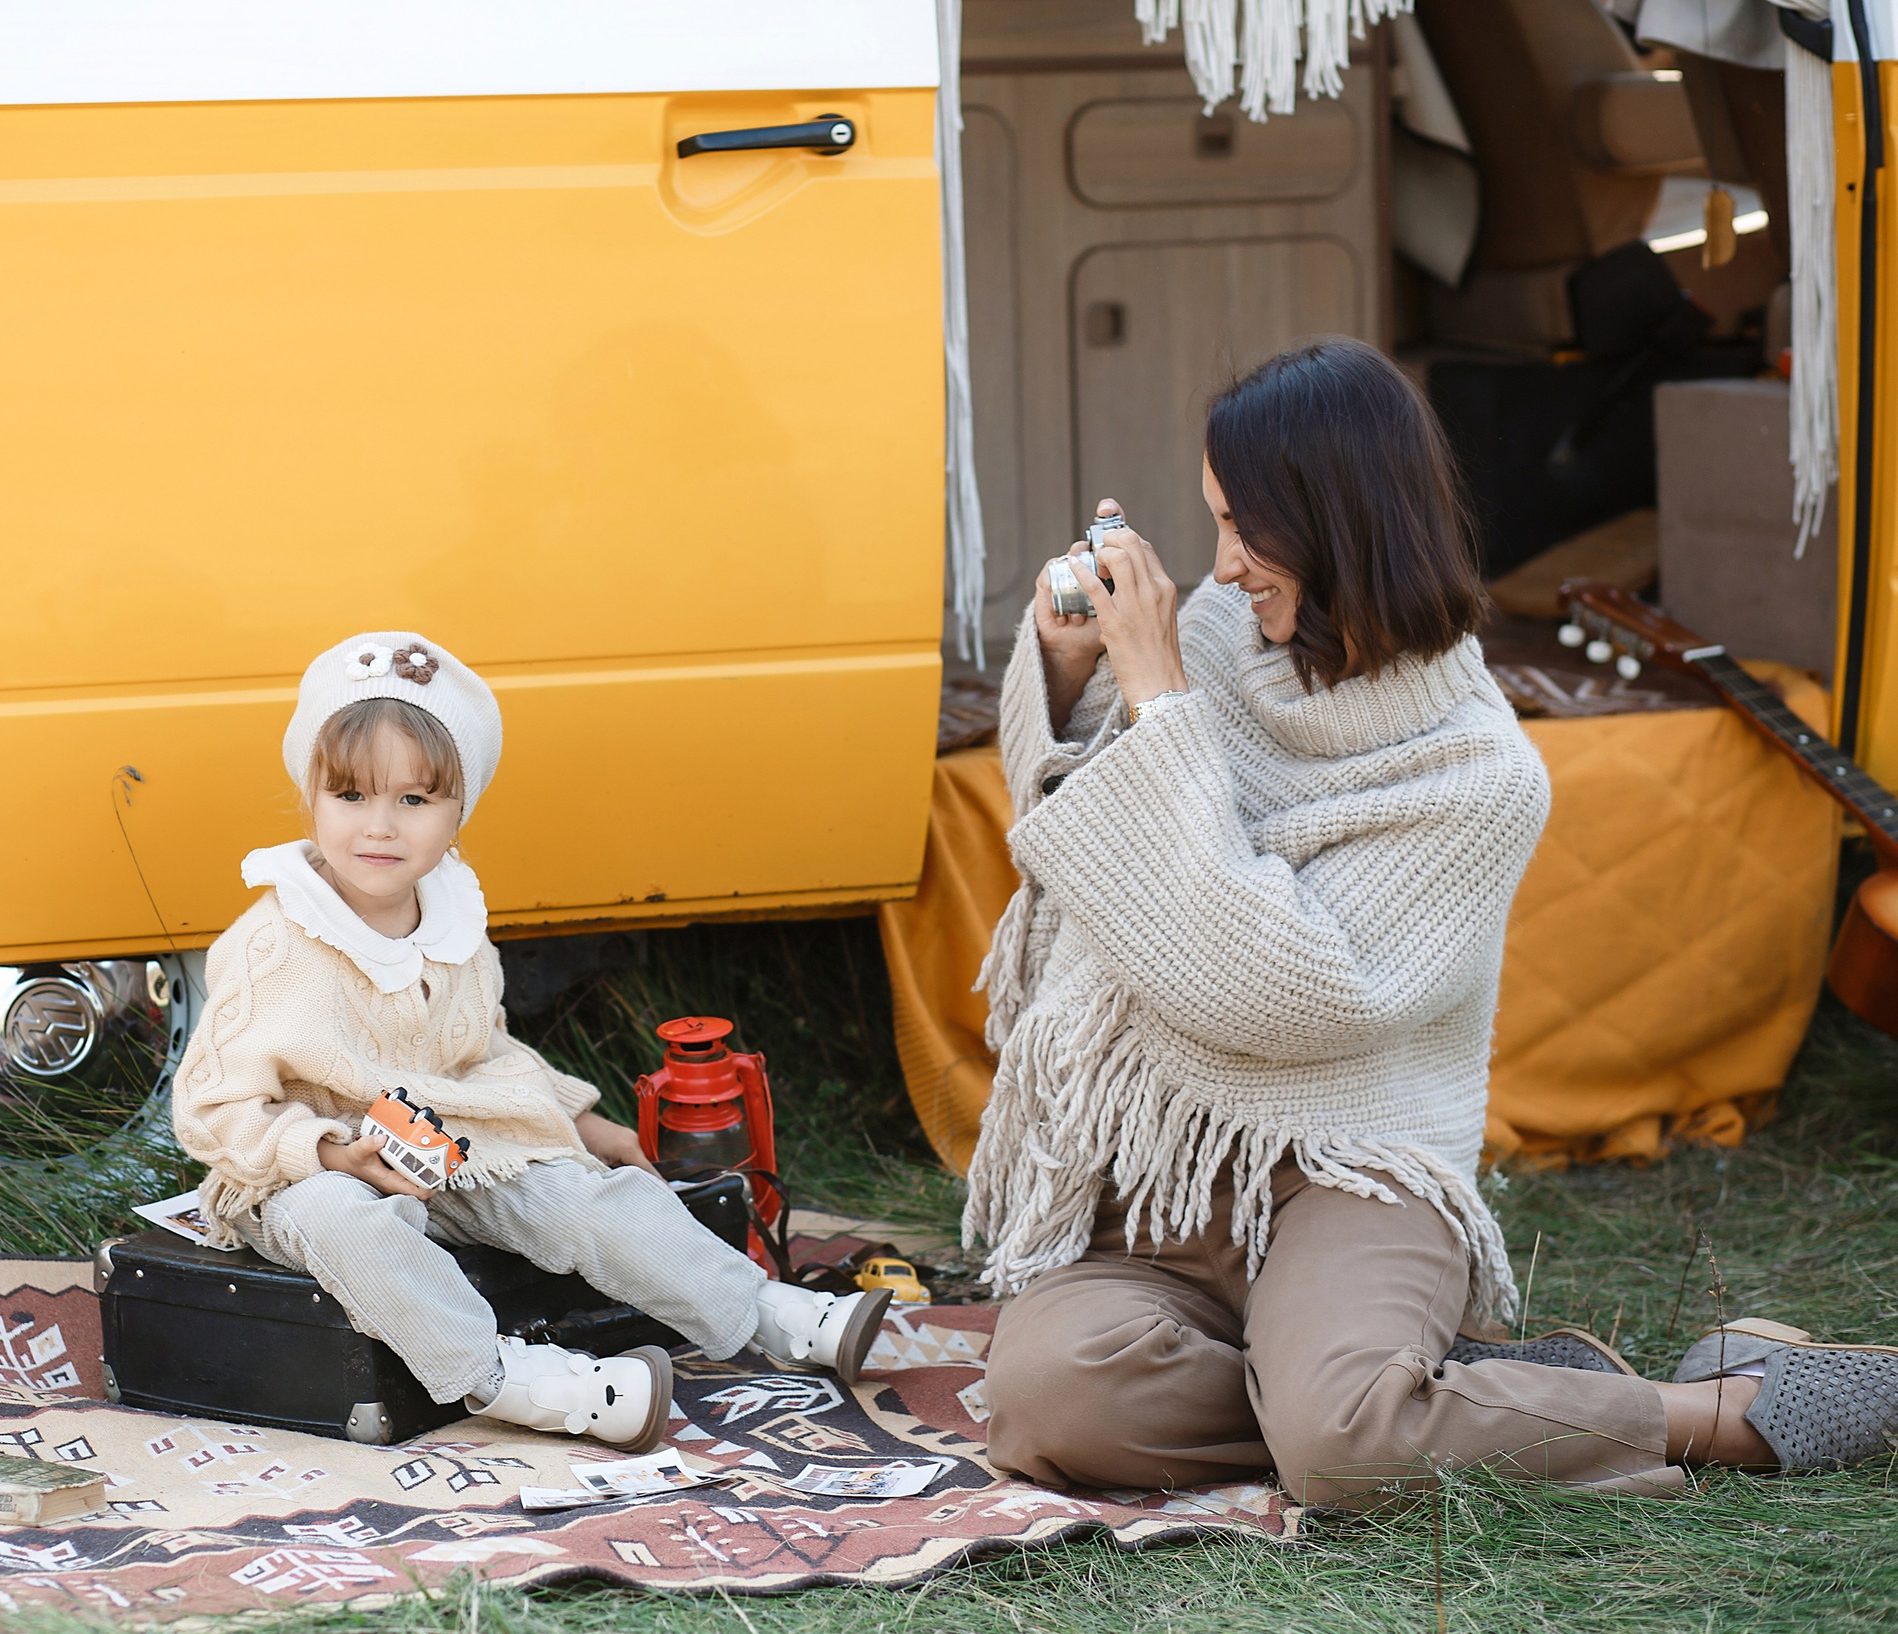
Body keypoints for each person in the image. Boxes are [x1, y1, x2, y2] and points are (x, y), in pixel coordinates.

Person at [972, 337, 1898, 1507]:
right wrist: (1069, 673)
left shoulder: (1474, 776)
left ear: (1341, 522)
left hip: (1351, 1170)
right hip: (1164, 1166)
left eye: (1245, 529)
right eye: (1213, 522)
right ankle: (1425, 1397)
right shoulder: (1211, 637)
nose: (1222, 567)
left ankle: (1726, 1412)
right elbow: (1076, 837)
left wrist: (1157, 699)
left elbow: (1273, 995)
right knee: (1051, 1402)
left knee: (1339, 1445)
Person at [172, 631, 889, 1453]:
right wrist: (333, 1153)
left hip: (439, 1148)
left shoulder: (453, 925)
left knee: (576, 1193)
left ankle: (765, 1311)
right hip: (297, 1173)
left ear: (459, 811)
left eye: (414, 799)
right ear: (312, 795)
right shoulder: (277, 943)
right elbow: (211, 1107)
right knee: (351, 1224)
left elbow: (483, 1056)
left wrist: (577, 1121)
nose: (380, 825)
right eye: (351, 794)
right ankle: (512, 1380)